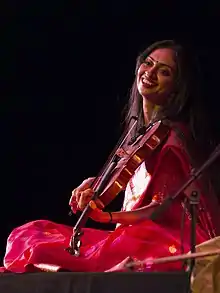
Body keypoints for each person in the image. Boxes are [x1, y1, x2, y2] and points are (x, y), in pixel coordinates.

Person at [1, 40, 220, 273]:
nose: (150, 74)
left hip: (162, 241)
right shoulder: (142, 132)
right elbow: (133, 175)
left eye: (164, 72)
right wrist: (96, 183)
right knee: (28, 234)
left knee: (37, 245)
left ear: (177, 87)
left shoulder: (172, 138)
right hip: (135, 235)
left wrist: (107, 216)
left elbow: (159, 208)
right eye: (148, 63)